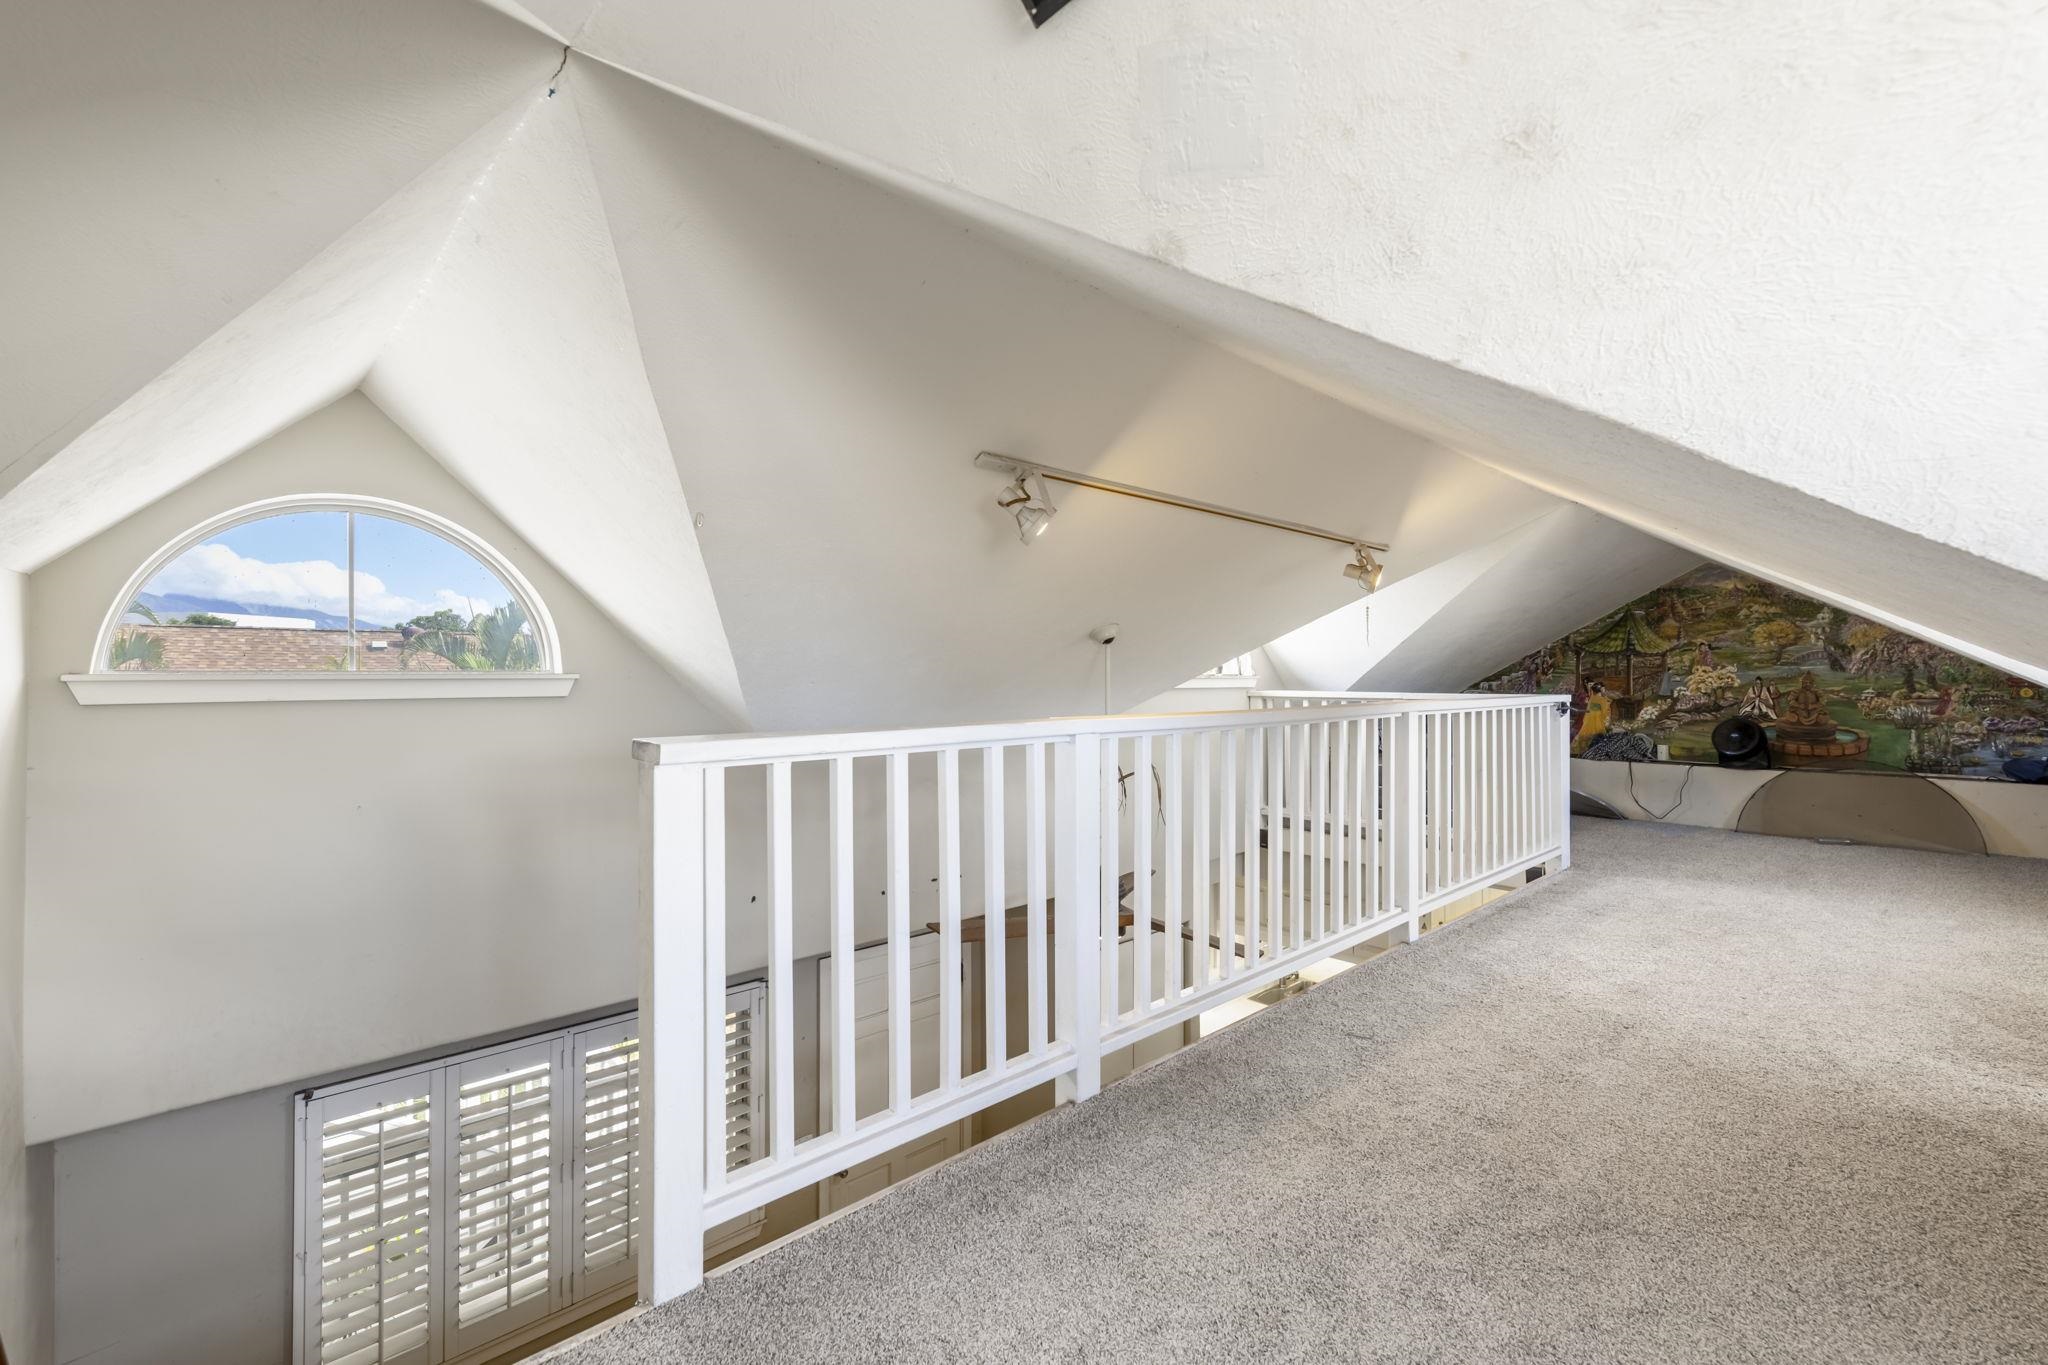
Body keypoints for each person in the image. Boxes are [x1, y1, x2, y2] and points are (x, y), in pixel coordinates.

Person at [1575, 681, 1612, 754]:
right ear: (1600, 690)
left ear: (1593, 691)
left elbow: (1588, 710)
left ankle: (1583, 750)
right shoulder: (1602, 700)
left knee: (1586, 733)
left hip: (1589, 718)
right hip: (1598, 718)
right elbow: (1605, 712)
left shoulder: (1591, 699)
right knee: (1598, 733)